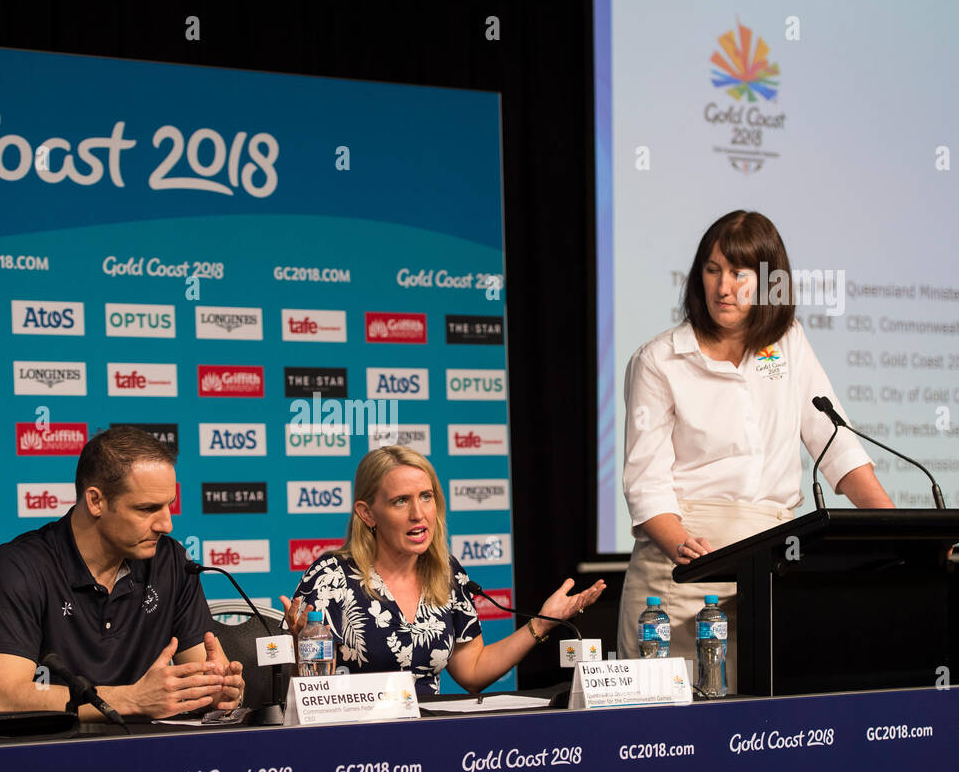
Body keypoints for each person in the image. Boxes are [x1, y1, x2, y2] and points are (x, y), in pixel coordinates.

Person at [617, 210, 893, 675]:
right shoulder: (659, 360)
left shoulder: (787, 345)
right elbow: (645, 485)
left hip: (771, 577)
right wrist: (687, 550)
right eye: (712, 270)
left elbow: (837, 446)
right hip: (682, 575)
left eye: (739, 273)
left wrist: (895, 529)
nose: (723, 287)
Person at [0, 426, 244, 719]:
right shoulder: (19, 567)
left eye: (168, 506)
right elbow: (3, 696)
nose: (166, 524)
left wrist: (219, 689)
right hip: (51, 755)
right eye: (147, 509)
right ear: (96, 501)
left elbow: (207, 671)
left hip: (151, 753)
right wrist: (132, 700)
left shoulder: (171, 560)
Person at [280, 446, 604, 695]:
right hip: (355, 738)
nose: (418, 514)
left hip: (433, 737)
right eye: (400, 501)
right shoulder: (331, 577)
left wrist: (541, 623)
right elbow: (307, 692)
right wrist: (299, 649)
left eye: (426, 497)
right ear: (368, 514)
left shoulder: (446, 573)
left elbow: (472, 670)